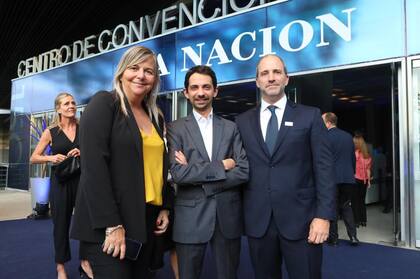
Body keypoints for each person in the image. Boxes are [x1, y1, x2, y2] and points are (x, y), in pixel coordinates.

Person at [70, 46, 173, 279]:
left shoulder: (154, 115)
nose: (141, 75)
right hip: (111, 223)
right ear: (121, 72)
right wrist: (112, 225)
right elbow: (94, 169)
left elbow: (156, 166)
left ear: (155, 79)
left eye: (148, 71)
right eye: (134, 68)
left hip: (146, 220)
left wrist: (165, 205)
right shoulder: (104, 103)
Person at [235, 54, 335, 279]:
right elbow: (237, 164)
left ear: (286, 79)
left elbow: (325, 169)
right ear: (257, 81)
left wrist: (324, 216)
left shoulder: (309, 116)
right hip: (258, 223)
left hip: (303, 222)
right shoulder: (242, 121)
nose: (271, 78)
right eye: (265, 73)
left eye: (277, 72)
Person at [166, 65, 249, 279]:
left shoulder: (231, 127)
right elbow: (178, 174)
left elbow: (243, 171)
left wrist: (198, 175)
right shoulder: (175, 128)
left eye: (206, 87)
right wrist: (222, 165)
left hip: (227, 216)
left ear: (215, 91)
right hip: (189, 217)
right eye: (194, 87)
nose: (200, 92)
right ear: (186, 92)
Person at [30, 92, 93, 279]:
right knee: (61, 225)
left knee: (86, 223)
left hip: (82, 181)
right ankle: (61, 267)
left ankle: (85, 261)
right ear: (58, 108)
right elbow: (33, 157)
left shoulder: (84, 127)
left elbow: (95, 151)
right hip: (61, 183)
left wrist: (81, 151)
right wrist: (51, 157)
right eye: (66, 103)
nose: (71, 106)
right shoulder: (51, 131)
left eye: (73, 102)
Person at [322, 112, 359, 246]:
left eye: (322, 121)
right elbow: (352, 158)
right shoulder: (348, 136)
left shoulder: (325, 136)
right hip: (348, 178)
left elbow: (324, 160)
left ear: (328, 123)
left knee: (332, 208)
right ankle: (353, 236)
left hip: (332, 178)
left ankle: (333, 238)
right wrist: (352, 173)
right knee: (346, 206)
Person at [353, 134, 372, 227]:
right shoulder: (367, 155)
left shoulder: (355, 153)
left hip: (356, 179)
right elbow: (368, 169)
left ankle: (356, 222)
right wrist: (368, 181)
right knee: (362, 201)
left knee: (355, 201)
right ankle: (363, 221)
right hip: (364, 181)